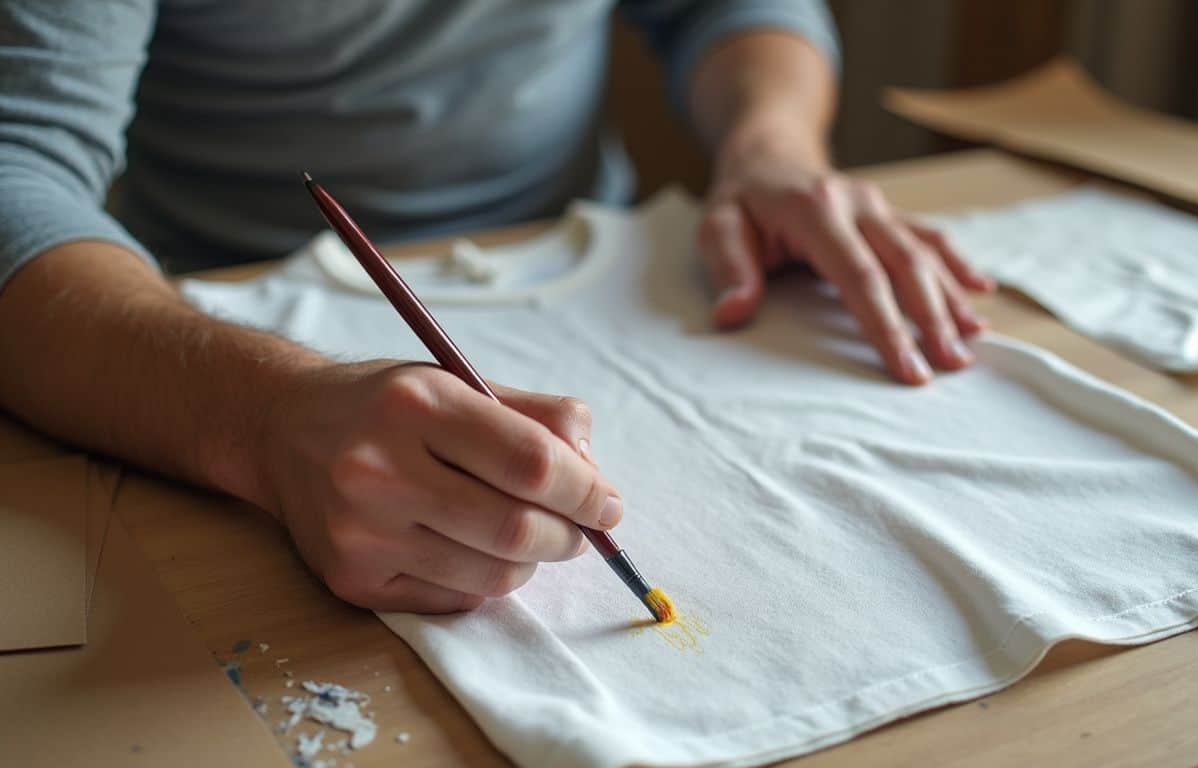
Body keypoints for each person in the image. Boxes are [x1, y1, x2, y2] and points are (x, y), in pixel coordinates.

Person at [0, 1, 994, 614]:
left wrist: (772, 143)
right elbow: (17, 166)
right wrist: (260, 422)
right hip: (203, 320)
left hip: (603, 274)